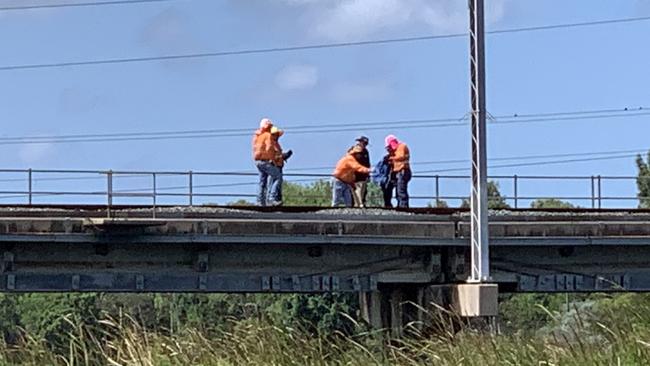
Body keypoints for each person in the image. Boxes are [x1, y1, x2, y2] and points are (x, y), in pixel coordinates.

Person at [252, 118, 283, 206]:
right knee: (277, 177)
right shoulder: (267, 135)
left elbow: (255, 149)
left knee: (262, 181)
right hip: (265, 161)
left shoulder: (257, 136)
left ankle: (259, 201)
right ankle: (271, 199)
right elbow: (269, 148)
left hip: (258, 161)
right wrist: (273, 159)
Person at [385, 134, 411, 208]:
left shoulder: (402, 146)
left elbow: (401, 156)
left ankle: (404, 206)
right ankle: (400, 205)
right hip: (397, 172)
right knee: (396, 190)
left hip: (403, 171)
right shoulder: (394, 151)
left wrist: (391, 158)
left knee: (401, 190)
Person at [348, 136, 371, 207]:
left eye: (365, 143)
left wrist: (368, 173)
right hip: (355, 175)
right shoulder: (353, 151)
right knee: (357, 190)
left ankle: (360, 203)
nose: (364, 144)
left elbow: (367, 163)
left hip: (363, 175)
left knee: (363, 190)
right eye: (363, 142)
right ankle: (357, 204)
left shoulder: (365, 152)